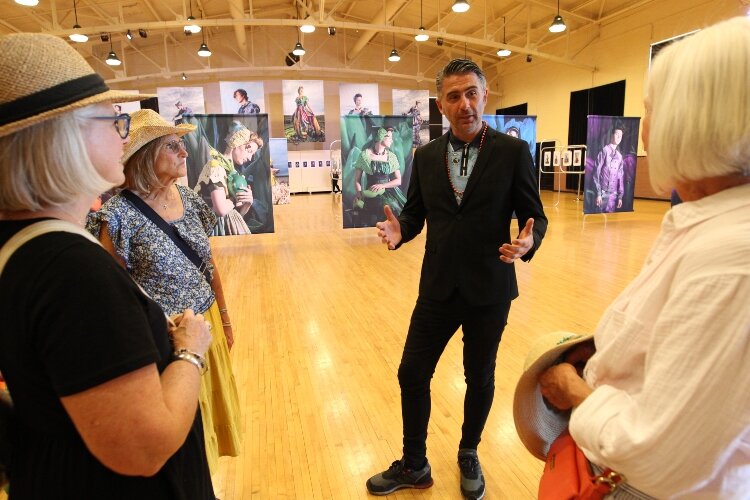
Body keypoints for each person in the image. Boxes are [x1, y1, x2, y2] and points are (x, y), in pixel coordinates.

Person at [537, 17, 750, 498]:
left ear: (691, 120)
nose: (642, 132)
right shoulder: (709, 228)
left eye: (649, 111)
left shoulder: (730, 262)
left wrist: (575, 392)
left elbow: (660, 454)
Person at [0, 33, 214, 498]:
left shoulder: (26, 248)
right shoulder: (70, 270)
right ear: (62, 137)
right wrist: (190, 350)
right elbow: (144, 447)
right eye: (112, 121)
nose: (123, 135)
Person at [367, 59, 548, 499]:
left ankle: (469, 451)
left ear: (485, 96)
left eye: (471, 93)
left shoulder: (511, 152)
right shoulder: (425, 157)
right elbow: (414, 213)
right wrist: (400, 230)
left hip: (490, 287)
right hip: (438, 287)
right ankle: (414, 464)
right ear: (440, 105)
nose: (464, 104)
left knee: (479, 375)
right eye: (454, 96)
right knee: (412, 372)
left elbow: (534, 216)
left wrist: (528, 242)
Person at [86, 109, 244, 474]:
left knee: (209, 424)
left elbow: (208, 264)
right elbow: (115, 294)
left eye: (182, 144)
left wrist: (224, 317)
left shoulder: (189, 199)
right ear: (145, 157)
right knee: (181, 433)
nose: (184, 153)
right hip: (166, 340)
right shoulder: (118, 215)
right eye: (173, 146)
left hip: (206, 329)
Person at [192, 121, 259, 235]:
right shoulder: (215, 167)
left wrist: (247, 202)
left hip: (229, 225)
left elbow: (237, 213)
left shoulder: (232, 173)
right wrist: (235, 198)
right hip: (216, 229)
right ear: (237, 143)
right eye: (249, 150)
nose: (249, 158)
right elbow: (221, 210)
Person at [352, 127, 407, 226]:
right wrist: (359, 194)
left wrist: (383, 185)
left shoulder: (392, 157)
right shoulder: (364, 155)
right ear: (381, 137)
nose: (392, 140)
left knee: (392, 208)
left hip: (389, 191)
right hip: (370, 192)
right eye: (389, 137)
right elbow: (357, 180)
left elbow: (398, 181)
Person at [593, 125, 625, 212]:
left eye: (621, 135)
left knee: (610, 221)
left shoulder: (619, 156)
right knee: (600, 219)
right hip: (603, 193)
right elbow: (596, 172)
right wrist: (598, 193)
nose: (619, 137)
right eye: (617, 134)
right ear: (612, 135)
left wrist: (620, 196)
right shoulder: (604, 151)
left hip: (613, 195)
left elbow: (620, 177)